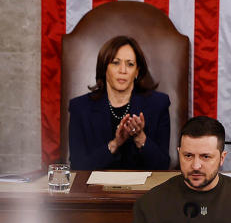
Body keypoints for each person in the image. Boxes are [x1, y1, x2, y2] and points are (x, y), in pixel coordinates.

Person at [68, 35, 172, 170]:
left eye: (130, 64)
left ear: (137, 72)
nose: (122, 70)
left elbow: (163, 166)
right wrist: (115, 144)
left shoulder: (158, 104)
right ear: (104, 68)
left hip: (144, 190)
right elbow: (78, 167)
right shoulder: (80, 108)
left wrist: (140, 138)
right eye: (116, 62)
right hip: (96, 189)